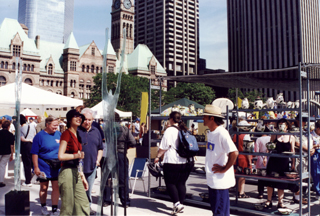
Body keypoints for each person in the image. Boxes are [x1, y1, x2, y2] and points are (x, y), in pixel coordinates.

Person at [154, 111, 194, 214]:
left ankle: (177, 204)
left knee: (170, 183)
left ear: (171, 119)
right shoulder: (184, 129)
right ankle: (180, 204)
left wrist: (157, 157)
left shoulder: (169, 130)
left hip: (172, 160)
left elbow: (163, 147)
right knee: (181, 183)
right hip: (185, 161)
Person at [202, 105, 238, 215]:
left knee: (220, 212)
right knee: (216, 211)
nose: (203, 119)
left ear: (212, 118)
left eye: (205, 116)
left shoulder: (221, 133)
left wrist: (224, 168)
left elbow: (234, 152)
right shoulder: (211, 132)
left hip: (220, 182)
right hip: (213, 180)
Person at [58, 109, 90, 215]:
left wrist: (82, 175)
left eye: (80, 117)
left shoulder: (77, 134)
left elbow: (79, 160)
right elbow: (61, 156)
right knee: (68, 207)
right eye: (75, 116)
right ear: (69, 119)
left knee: (83, 204)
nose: (79, 118)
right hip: (67, 171)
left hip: (75, 171)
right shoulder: (66, 134)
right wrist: (76, 155)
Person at [103, 112, 136, 207]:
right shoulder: (125, 129)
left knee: (107, 178)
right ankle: (125, 201)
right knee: (123, 178)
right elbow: (133, 142)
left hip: (109, 155)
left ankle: (106, 200)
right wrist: (125, 147)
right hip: (121, 154)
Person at [31, 116, 61, 215]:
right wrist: (36, 167)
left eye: (57, 125)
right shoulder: (39, 136)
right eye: (54, 125)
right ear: (47, 125)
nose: (56, 127)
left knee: (56, 187)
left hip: (57, 165)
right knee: (44, 187)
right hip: (43, 165)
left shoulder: (59, 134)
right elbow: (34, 152)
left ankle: (54, 208)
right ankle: (43, 206)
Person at [264, 118, 296, 209]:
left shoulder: (291, 137)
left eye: (283, 124)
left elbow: (292, 151)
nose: (281, 125)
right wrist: (265, 157)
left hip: (284, 162)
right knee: (270, 181)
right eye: (280, 124)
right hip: (274, 160)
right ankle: (269, 200)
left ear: (287, 126)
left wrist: (293, 163)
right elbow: (269, 146)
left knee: (281, 183)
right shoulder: (275, 135)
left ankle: (280, 202)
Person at [78, 108, 103, 214]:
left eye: (89, 119)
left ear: (93, 120)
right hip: (78, 166)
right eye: (85, 119)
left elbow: (100, 148)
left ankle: (87, 207)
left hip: (92, 166)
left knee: (89, 189)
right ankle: (79, 208)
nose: (87, 122)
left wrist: (98, 160)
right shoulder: (76, 131)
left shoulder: (96, 131)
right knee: (79, 189)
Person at [233, 120, 252, 199]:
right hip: (243, 156)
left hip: (236, 156)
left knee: (237, 173)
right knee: (243, 175)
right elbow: (248, 149)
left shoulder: (235, 135)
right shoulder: (246, 136)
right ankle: (241, 192)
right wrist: (250, 162)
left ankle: (238, 190)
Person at [254, 122, 272, 199]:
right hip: (270, 158)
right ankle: (271, 194)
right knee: (270, 177)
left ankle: (260, 193)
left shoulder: (258, 139)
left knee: (260, 178)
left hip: (260, 159)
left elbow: (256, 151)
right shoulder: (270, 138)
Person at [20, 114, 37, 186]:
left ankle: (28, 181)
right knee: (33, 162)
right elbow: (35, 134)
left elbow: (22, 139)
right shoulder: (32, 126)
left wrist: (28, 139)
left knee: (27, 164)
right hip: (32, 145)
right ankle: (37, 177)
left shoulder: (20, 128)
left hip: (25, 146)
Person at [0, 120, 14, 187]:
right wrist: (12, 154)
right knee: (2, 166)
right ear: (8, 126)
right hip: (6, 152)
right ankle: (1, 181)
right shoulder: (10, 135)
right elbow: (11, 146)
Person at [311, 120, 320, 199]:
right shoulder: (311, 135)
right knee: (316, 173)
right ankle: (318, 190)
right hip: (315, 155)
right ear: (317, 128)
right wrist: (316, 146)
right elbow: (308, 146)